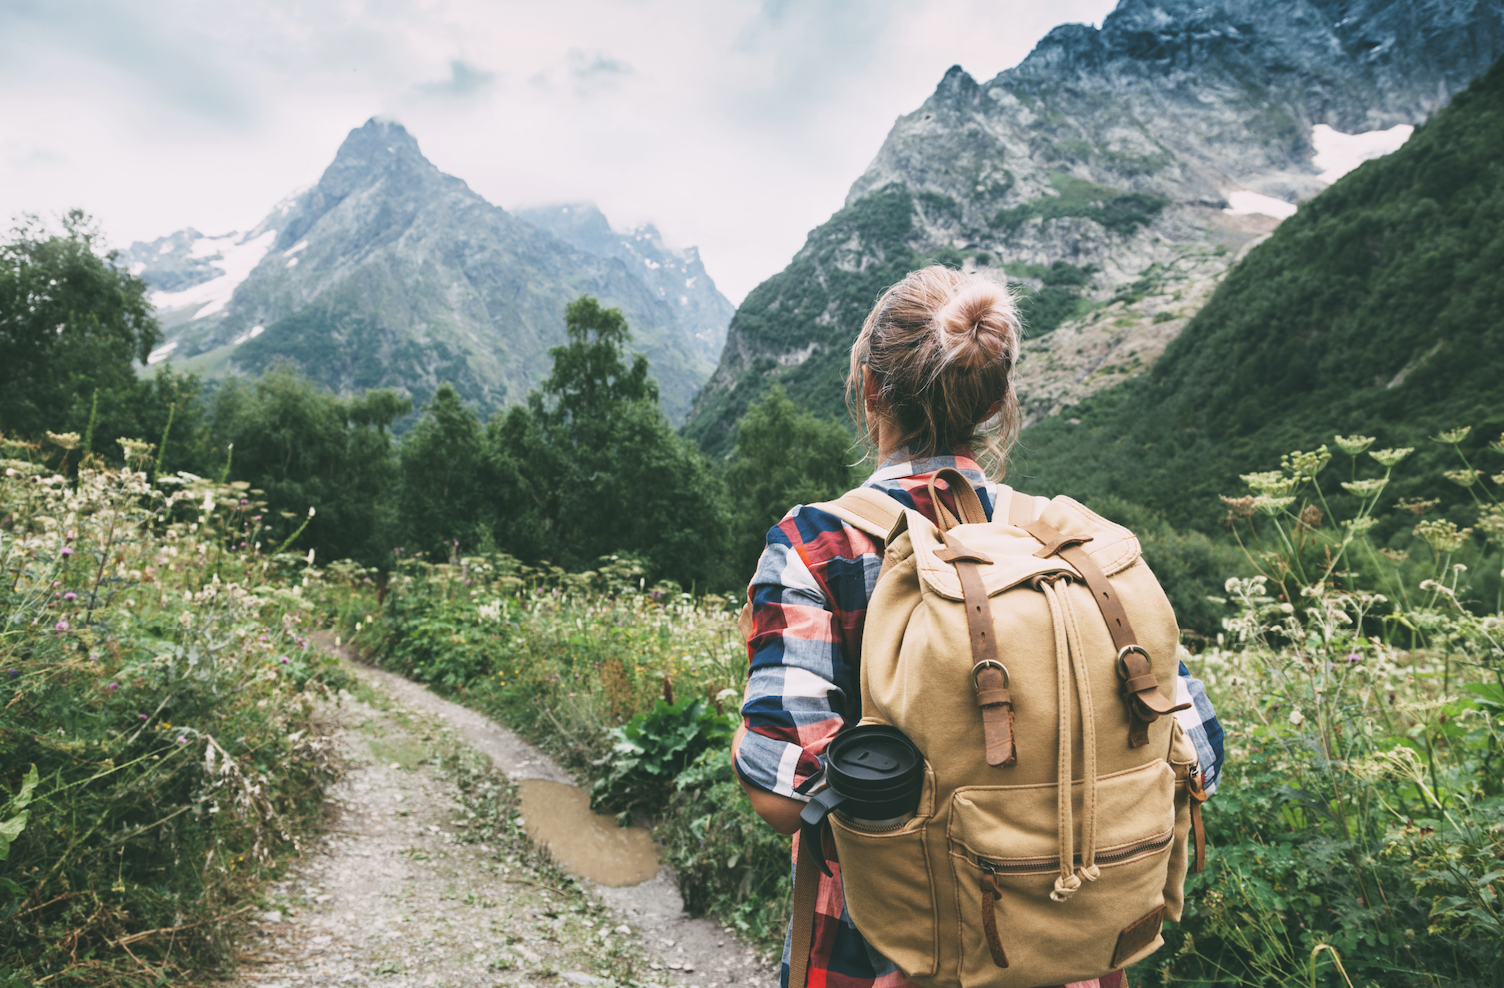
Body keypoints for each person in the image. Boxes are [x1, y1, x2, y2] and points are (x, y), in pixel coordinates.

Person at [731, 266, 1223, 988]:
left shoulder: (818, 546)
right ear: (996, 401)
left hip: (880, 961)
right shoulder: (1068, 545)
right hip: (1073, 961)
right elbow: (1197, 751)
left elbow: (780, 794)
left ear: (871, 389)